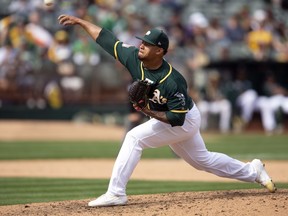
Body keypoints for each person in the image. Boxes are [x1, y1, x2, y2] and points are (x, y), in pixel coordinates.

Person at [58, 14, 276, 207]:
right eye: (142, 41)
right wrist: (80, 22)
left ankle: (116, 193)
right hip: (174, 119)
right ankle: (253, 171)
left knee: (134, 137)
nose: (141, 45)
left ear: (160, 50)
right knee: (203, 161)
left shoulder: (173, 81)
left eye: (148, 43)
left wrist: (146, 110)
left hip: (184, 119)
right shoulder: (134, 58)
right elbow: (106, 39)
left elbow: (176, 120)